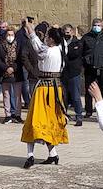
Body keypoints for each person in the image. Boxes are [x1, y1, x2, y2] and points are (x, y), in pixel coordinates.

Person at [21, 22, 68, 168]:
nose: (46, 38)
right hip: (56, 88)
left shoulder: (47, 51)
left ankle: (30, 155)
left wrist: (29, 27)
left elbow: (35, 42)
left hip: (44, 88)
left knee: (34, 120)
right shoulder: (62, 49)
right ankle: (53, 154)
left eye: (48, 36)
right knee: (51, 120)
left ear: (52, 39)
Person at [0, 27, 20, 123]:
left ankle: (17, 115)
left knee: (17, 95)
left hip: (17, 74)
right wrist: (6, 68)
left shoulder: (18, 45)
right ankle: (8, 115)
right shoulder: (1, 46)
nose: (10, 37)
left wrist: (13, 68)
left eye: (12, 35)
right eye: (8, 35)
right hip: (5, 74)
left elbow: (21, 58)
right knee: (6, 95)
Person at [62, 24, 85, 126]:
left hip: (74, 72)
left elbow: (74, 54)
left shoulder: (77, 43)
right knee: (64, 96)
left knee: (76, 96)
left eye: (68, 32)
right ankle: (63, 115)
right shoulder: (61, 43)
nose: (67, 34)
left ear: (72, 32)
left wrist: (65, 54)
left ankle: (79, 116)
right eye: (65, 32)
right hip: (63, 73)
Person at [80, 18, 103, 92]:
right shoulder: (86, 37)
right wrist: (85, 61)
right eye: (95, 25)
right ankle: (88, 104)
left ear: (102, 26)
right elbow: (81, 51)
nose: (96, 27)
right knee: (89, 89)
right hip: (90, 67)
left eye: (98, 25)